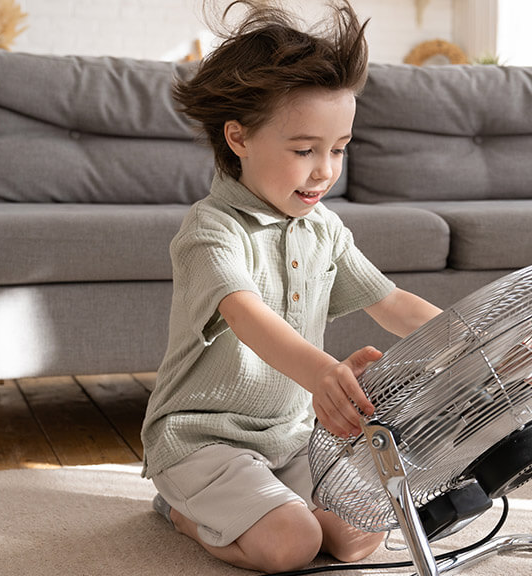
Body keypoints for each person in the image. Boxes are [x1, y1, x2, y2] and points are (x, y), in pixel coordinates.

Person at [140, 1, 442, 572]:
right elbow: (247, 315)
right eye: (304, 150)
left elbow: (394, 303)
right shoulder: (211, 230)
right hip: (203, 440)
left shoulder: (323, 227)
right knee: (292, 546)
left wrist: (488, 340)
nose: (325, 170)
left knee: (361, 537)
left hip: (291, 436)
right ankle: (180, 507)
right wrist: (324, 372)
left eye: (338, 149)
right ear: (239, 138)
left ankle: (269, 499)